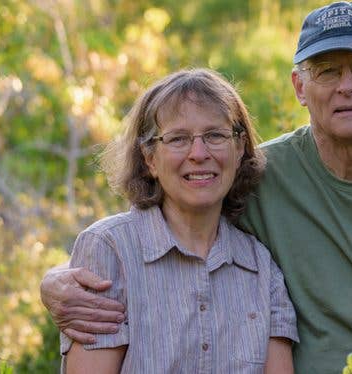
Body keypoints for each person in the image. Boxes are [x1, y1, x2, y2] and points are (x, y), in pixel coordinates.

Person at [41, 2, 352, 373]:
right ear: (300, 87)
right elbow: (165, 224)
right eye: (326, 71)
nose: (346, 86)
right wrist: (58, 281)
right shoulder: (258, 171)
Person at [60, 68, 298, 373]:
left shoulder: (261, 268)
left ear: (239, 149)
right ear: (149, 158)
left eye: (215, 135)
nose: (198, 154)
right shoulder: (111, 250)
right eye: (178, 139)